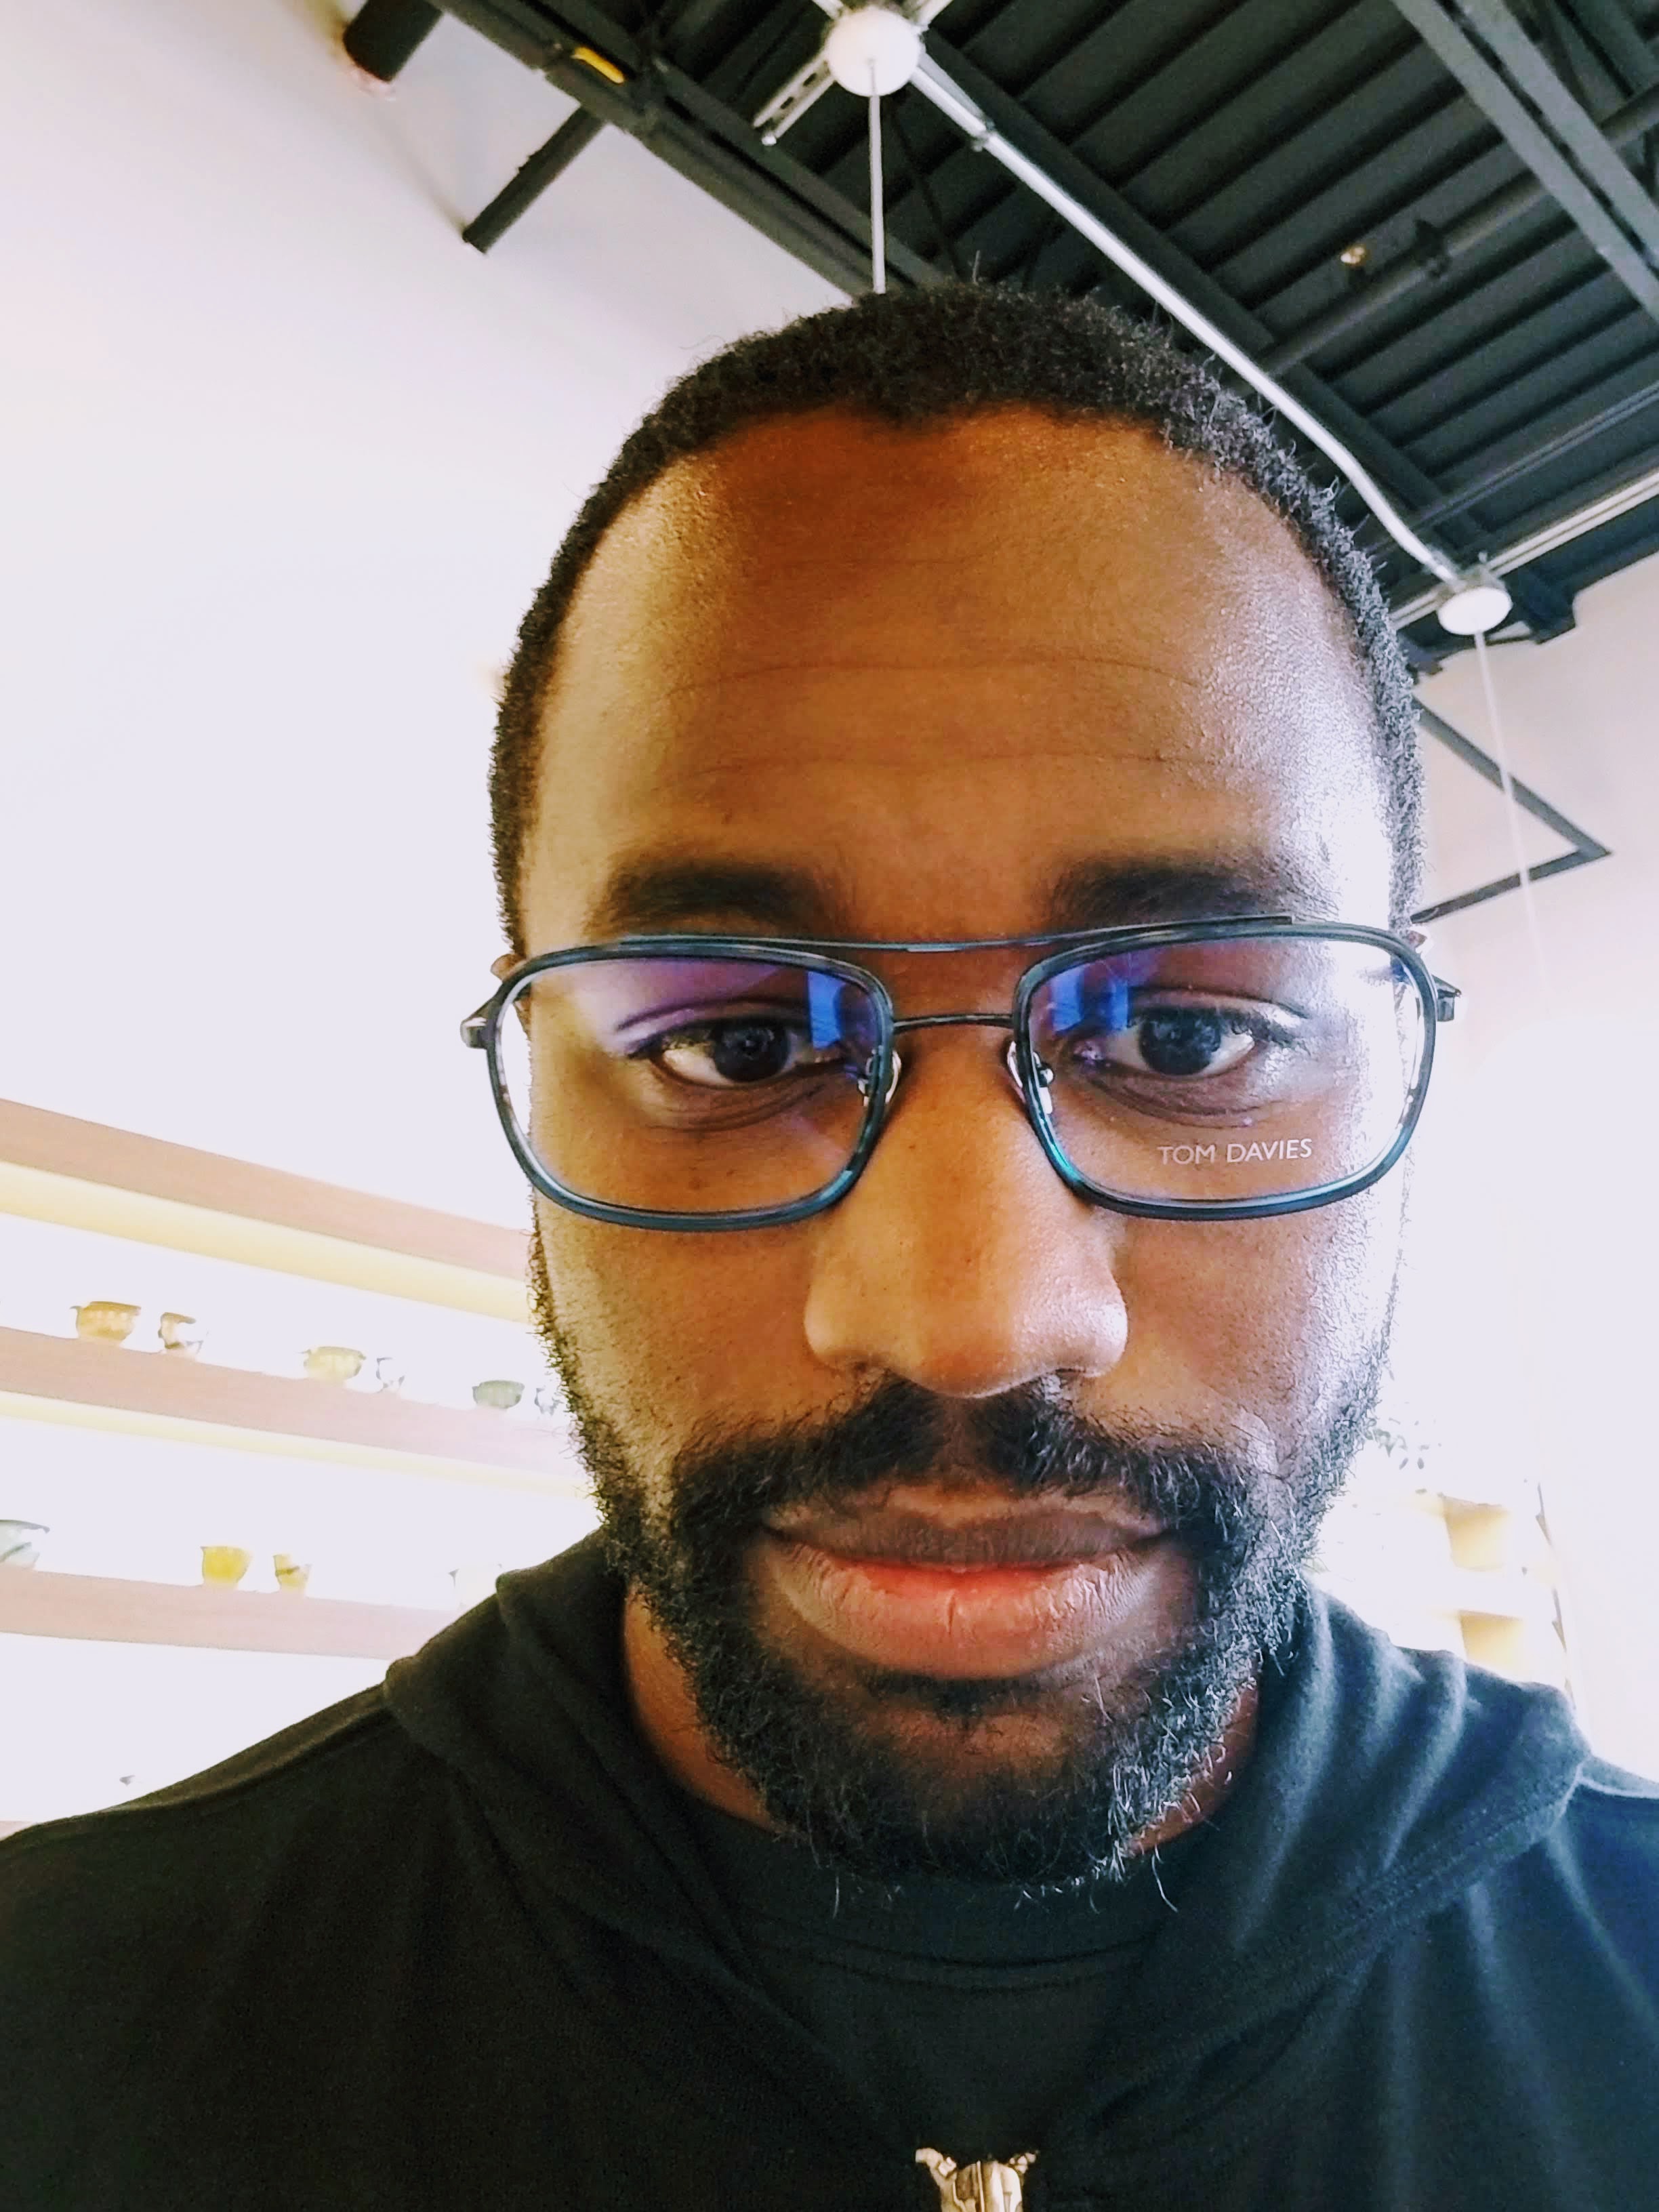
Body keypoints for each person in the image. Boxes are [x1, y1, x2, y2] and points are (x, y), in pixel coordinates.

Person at [3, 285, 1654, 2212]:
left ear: (1398, 1057)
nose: (971, 1321)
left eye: (1187, 1038)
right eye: (736, 1045)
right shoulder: (63, 2035)